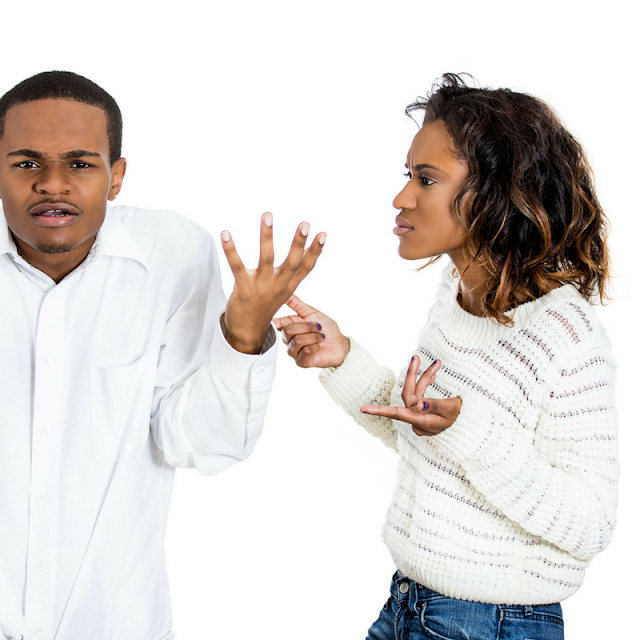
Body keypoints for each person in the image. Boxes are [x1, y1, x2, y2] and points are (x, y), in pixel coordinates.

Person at [275, 74, 617, 640]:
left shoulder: (565, 333)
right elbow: (428, 436)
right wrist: (342, 359)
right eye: (408, 175)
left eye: (426, 179)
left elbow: (590, 524)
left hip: (493, 623)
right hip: (410, 604)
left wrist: (466, 429)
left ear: (493, 194)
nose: (401, 198)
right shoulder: (455, 297)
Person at [0, 70, 324, 640]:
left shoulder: (171, 254)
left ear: (117, 177)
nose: (53, 184)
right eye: (27, 163)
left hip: (116, 625)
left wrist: (243, 335)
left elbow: (199, 440)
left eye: (80, 164)